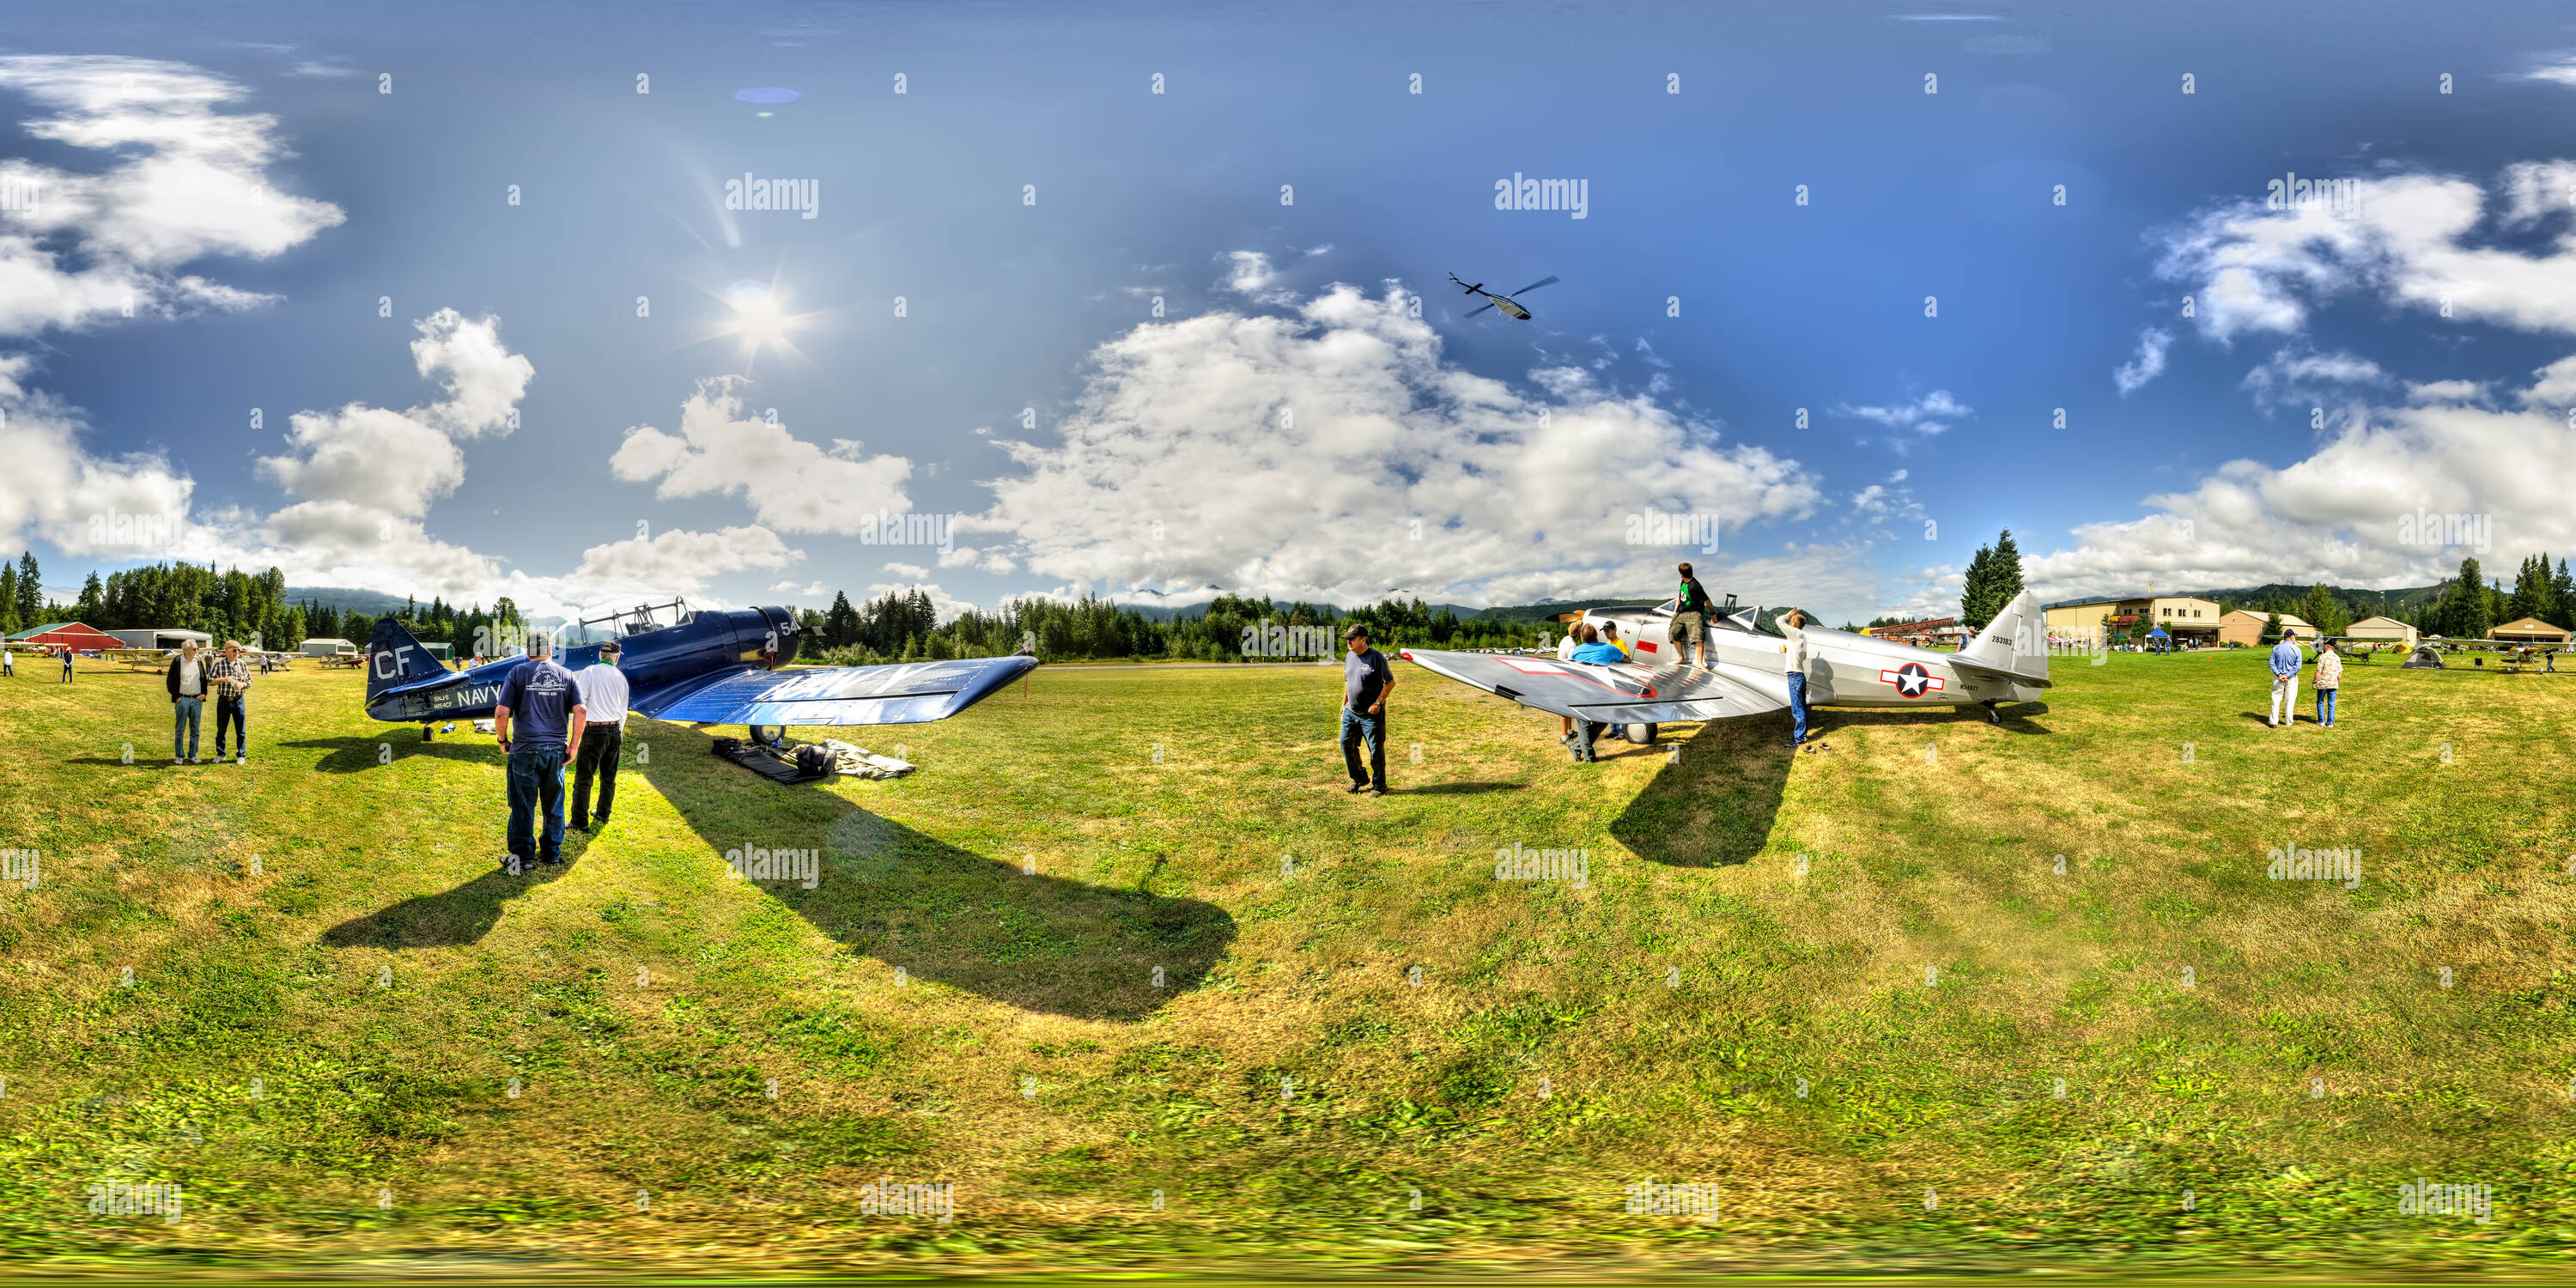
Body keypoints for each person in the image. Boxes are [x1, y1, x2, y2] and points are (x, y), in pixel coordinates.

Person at [493, 631, 589, 869]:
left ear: (527, 652)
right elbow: (581, 711)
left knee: (522, 806)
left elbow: (501, 712)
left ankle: (523, 860)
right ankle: (551, 855)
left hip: (524, 749)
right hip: (556, 751)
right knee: (554, 805)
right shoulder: (566, 675)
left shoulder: (517, 672)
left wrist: (502, 739)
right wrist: (574, 745)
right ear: (550, 651)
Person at [569, 639, 629, 832]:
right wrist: (616, 733)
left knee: (584, 778)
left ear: (600, 656)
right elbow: (623, 711)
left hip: (594, 729)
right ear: (617, 658)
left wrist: (575, 738)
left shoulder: (589, 672)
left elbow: (581, 706)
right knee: (608, 777)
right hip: (614, 730)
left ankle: (579, 821)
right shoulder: (621, 677)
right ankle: (603, 812)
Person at [1340, 625, 1394, 797]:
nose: (1348, 642)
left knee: (1375, 750)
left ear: (1363, 640)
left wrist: (1378, 702)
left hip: (1371, 715)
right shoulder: (1349, 656)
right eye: (1347, 638)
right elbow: (1348, 683)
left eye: (1352, 638)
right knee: (1346, 743)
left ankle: (1379, 785)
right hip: (1351, 711)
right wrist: (1344, 704)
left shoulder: (1376, 657)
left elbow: (1390, 683)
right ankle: (1359, 778)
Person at [165, 639, 210, 763]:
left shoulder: (199, 661)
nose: (197, 651)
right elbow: (170, 680)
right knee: (180, 730)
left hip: (196, 700)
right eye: (195, 649)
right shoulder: (178, 661)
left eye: (197, 649)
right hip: (182, 700)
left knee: (195, 730)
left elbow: (203, 678)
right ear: (186, 650)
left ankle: (192, 755)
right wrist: (176, 696)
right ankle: (180, 756)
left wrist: (203, 694)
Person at [209, 640, 253, 763]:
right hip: (223, 701)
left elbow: (250, 681)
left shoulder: (242, 665)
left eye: (238, 650)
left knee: (241, 731)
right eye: (234, 650)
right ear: (227, 650)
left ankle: (241, 755)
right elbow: (210, 681)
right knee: (221, 730)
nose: (237, 652)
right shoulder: (219, 665)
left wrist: (243, 684)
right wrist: (222, 679)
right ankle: (220, 754)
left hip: (238, 700)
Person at [1672, 562, 1716, 668]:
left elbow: (1707, 600)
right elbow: (1680, 596)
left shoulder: (1696, 586)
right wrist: (1677, 610)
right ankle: (1682, 658)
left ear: (1681, 574)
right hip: (1682, 612)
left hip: (1694, 613)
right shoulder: (1683, 581)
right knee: (1673, 633)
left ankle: (1700, 663)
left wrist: (1713, 613)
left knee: (1698, 636)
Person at [1782, 609, 1814, 748]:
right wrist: (1789, 651)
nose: (1789, 621)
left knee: (1797, 709)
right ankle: (1803, 734)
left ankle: (1798, 739)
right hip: (1799, 675)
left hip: (1794, 676)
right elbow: (1804, 655)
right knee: (1801, 708)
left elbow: (1779, 621)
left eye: (1791, 620)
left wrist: (1788, 614)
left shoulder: (1795, 633)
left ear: (1796, 624)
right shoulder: (1802, 636)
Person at [2268, 631, 2305, 727]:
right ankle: (2289, 722)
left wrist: (2279, 674)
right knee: (2290, 700)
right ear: (2292, 637)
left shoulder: (2276, 648)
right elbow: (2298, 666)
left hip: (2278, 677)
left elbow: (2271, 663)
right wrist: (2287, 675)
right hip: (2291, 678)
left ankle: (2273, 722)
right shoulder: (2297, 649)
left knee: (2275, 699)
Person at [2313, 637, 2342, 728]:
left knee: (2320, 701)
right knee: (2331, 703)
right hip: (2334, 684)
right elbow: (2339, 674)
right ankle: (2330, 723)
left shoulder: (2323, 657)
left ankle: (2321, 721)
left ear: (2327, 646)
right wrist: (2336, 681)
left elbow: (2319, 671)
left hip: (2323, 684)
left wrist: (2314, 682)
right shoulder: (2337, 658)